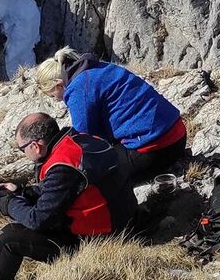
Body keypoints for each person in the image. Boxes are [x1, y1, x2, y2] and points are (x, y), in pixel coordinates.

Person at [0, 114, 134, 280]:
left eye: (21, 149)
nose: (23, 153)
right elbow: (64, 189)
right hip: (123, 219)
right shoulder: (80, 142)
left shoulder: (62, 167)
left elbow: (39, 220)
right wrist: (22, 192)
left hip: (99, 240)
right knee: (17, 228)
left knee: (9, 238)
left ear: (35, 146)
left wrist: (8, 204)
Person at [36, 48, 187, 182]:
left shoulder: (78, 89)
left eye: (53, 95)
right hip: (178, 134)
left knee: (92, 175)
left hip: (156, 149)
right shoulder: (99, 67)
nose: (58, 100)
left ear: (59, 85)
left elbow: (85, 140)